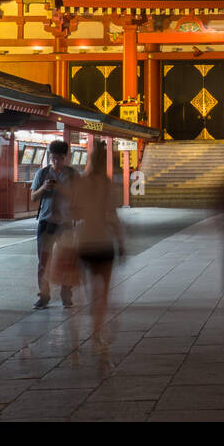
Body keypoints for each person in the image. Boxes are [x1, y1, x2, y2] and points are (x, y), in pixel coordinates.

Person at [73, 142, 126, 353]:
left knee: (89, 290)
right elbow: (113, 217)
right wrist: (120, 242)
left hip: (84, 242)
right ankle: (98, 332)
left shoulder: (80, 184)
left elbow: (74, 214)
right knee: (104, 291)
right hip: (104, 242)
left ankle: (92, 326)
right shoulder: (107, 185)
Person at [30, 139, 77, 309]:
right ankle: (44, 295)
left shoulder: (72, 174)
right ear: (50, 157)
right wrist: (44, 188)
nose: (56, 161)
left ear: (66, 157)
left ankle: (66, 294)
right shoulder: (42, 174)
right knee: (44, 261)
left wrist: (61, 188)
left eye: (60, 158)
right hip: (46, 222)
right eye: (53, 158)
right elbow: (33, 197)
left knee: (68, 261)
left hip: (66, 222)